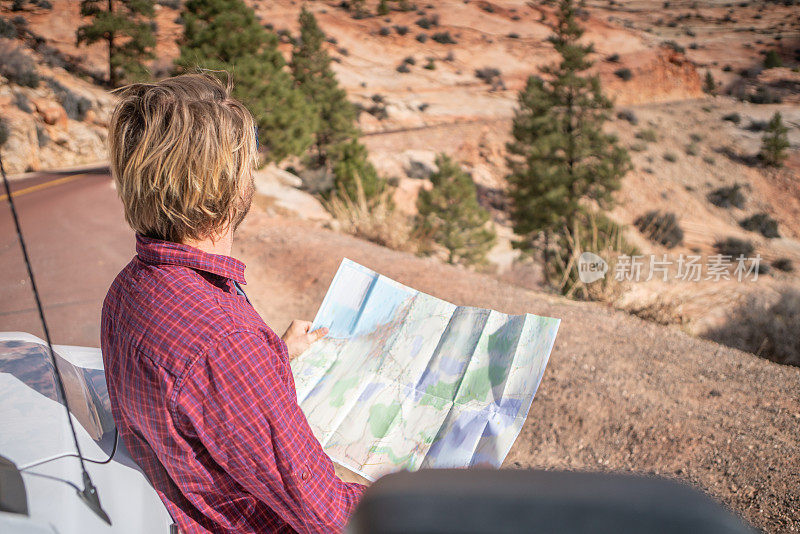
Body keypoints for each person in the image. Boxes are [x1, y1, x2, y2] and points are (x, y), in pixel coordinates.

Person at [101, 73, 364, 533]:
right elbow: (328, 514)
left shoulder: (126, 290)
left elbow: (194, 400)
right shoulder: (226, 342)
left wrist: (275, 356)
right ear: (228, 184)